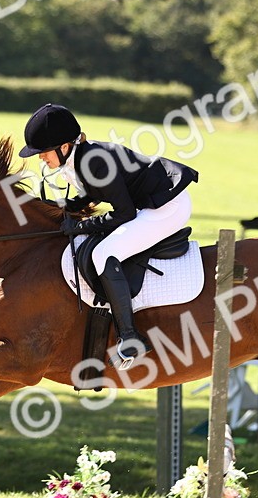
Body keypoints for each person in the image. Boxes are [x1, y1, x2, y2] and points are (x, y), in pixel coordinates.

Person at [18, 103, 198, 369]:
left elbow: (124, 213)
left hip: (166, 207)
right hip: (149, 202)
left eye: (43, 152)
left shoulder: (94, 161)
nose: (40, 158)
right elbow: (97, 190)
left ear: (64, 147)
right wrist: (72, 207)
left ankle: (130, 338)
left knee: (105, 253)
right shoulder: (82, 157)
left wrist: (82, 227)